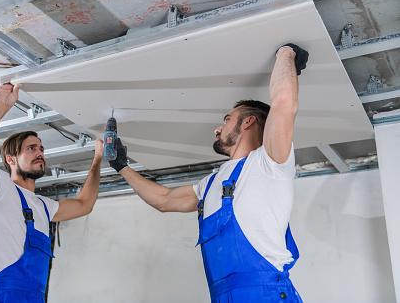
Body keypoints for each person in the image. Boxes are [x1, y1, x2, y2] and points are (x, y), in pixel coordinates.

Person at [108, 43, 309, 302]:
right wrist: (122, 166)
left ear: (248, 122)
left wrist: (287, 54)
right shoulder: (210, 184)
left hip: (265, 293)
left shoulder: (269, 163)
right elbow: (164, 200)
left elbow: (283, 102)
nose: (217, 129)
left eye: (226, 120)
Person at [0, 82, 104, 303]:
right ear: (11, 159)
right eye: (31, 148)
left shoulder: (44, 207)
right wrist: (0, 106)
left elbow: (84, 205)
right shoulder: (1, 189)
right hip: (2, 296)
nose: (40, 153)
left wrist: (97, 159)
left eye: (41, 149)